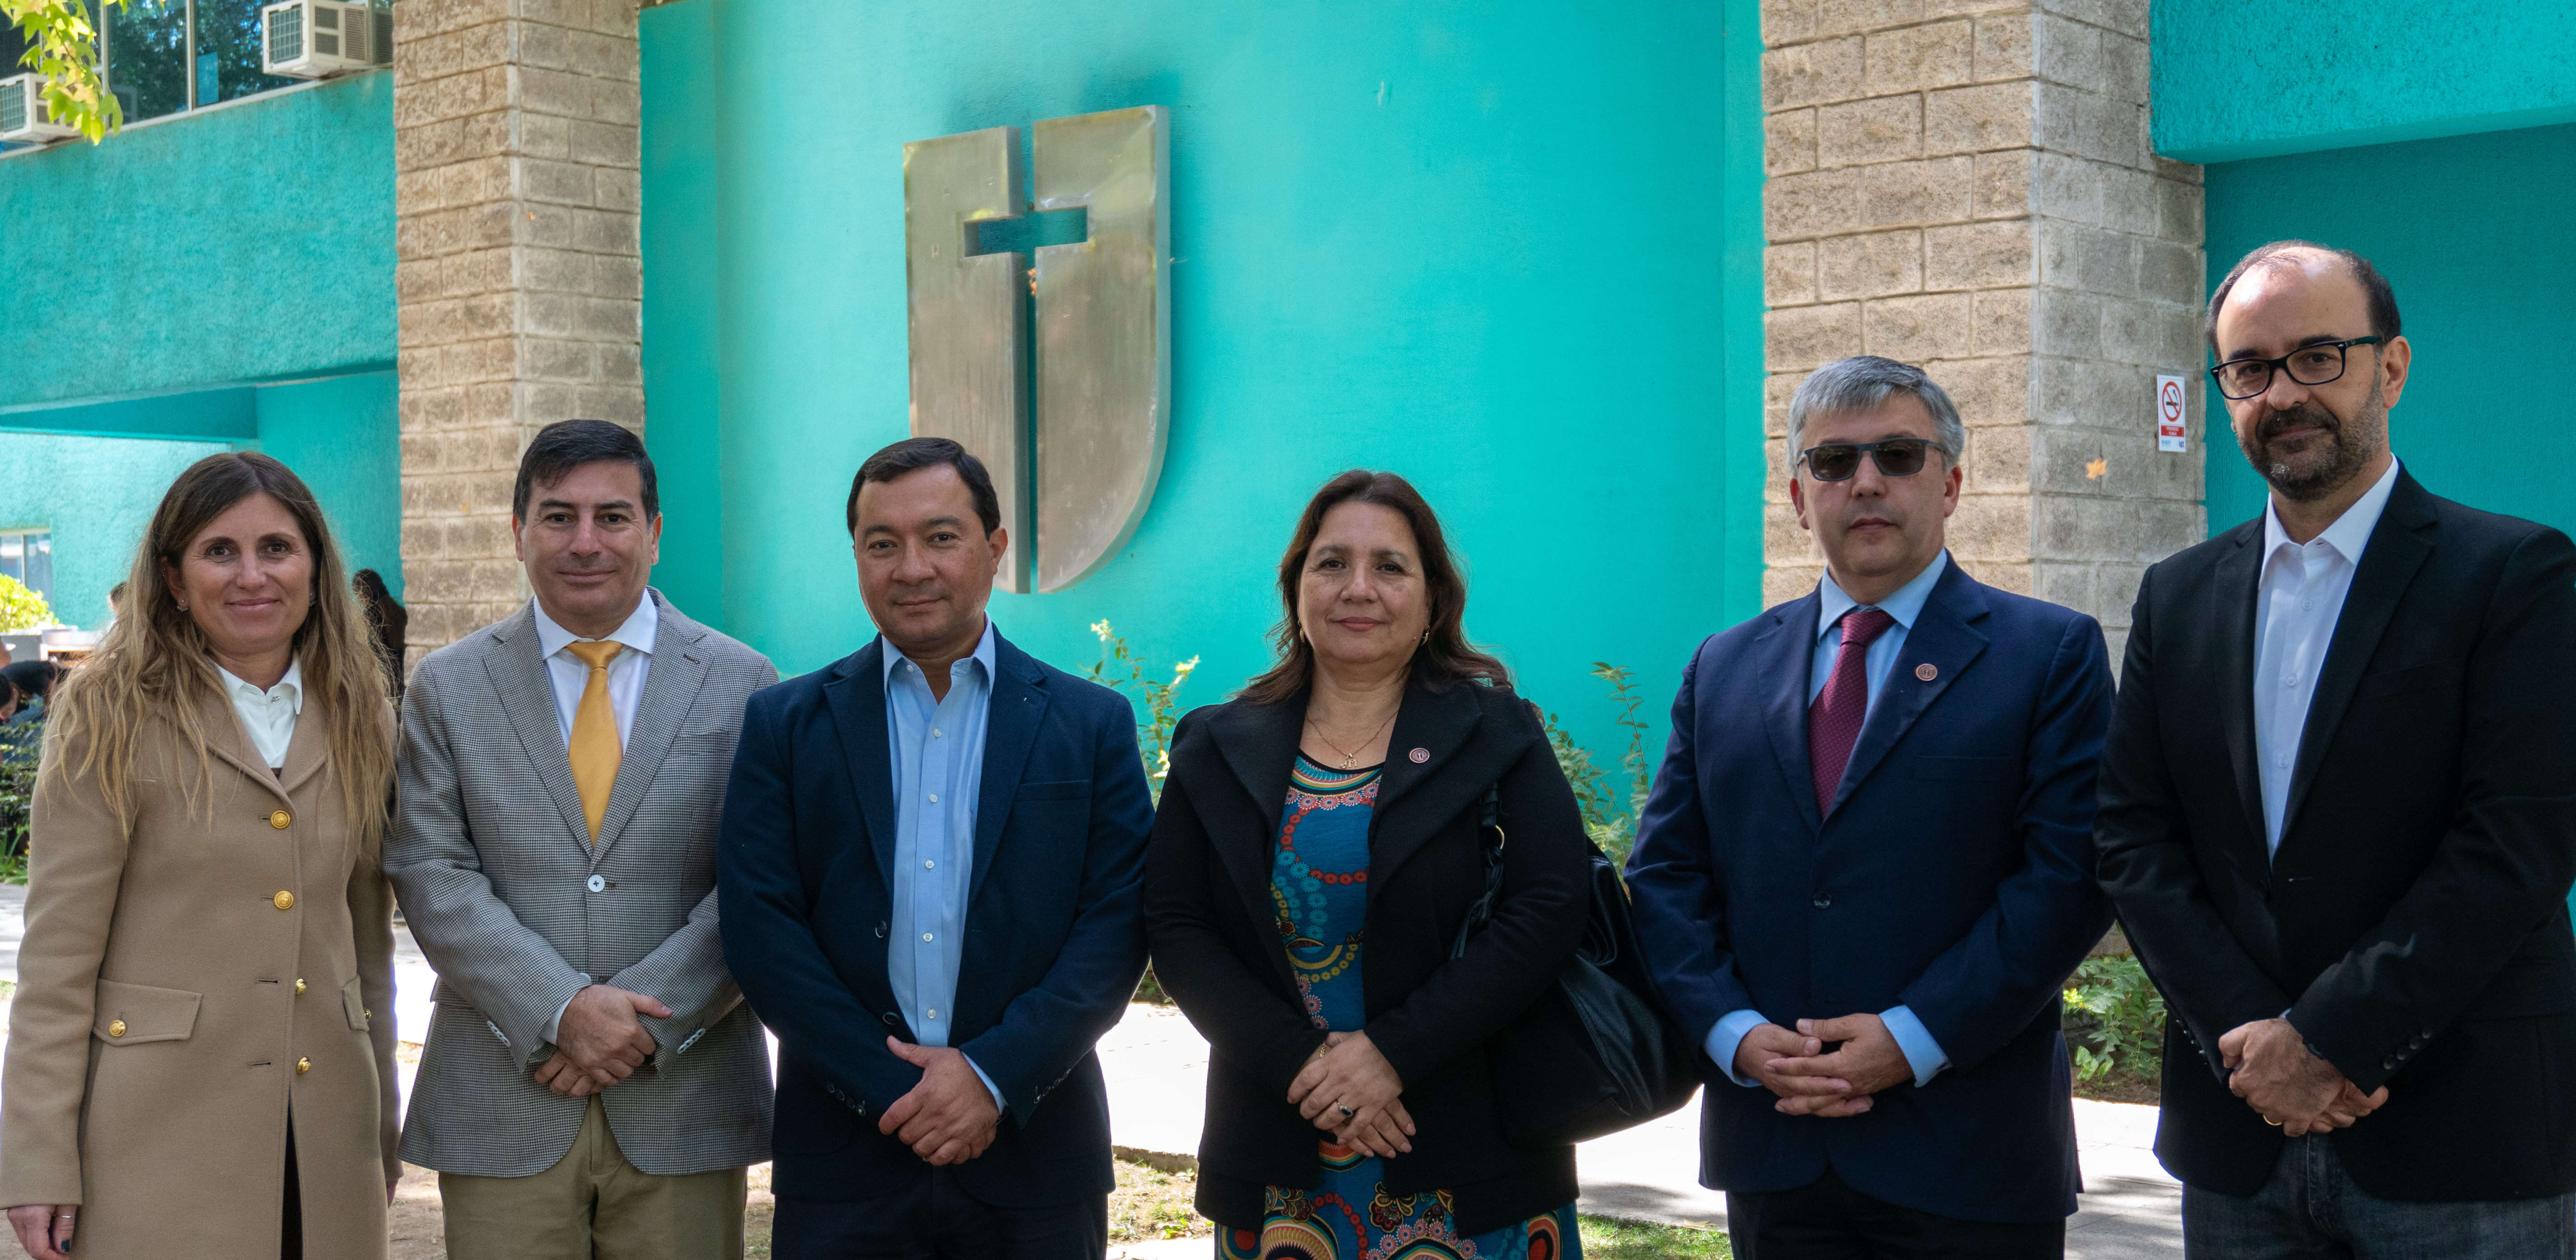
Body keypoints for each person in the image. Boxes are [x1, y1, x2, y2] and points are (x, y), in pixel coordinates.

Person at [2095, 242, 2576, 1256]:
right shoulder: (2175, 596)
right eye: (2251, 368)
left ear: (2390, 367)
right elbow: (2134, 840)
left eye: (2319, 355)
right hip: (2238, 1141)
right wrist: (2253, 1045)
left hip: (2460, 1141)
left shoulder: (2515, 574)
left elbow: (2516, 842)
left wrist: (2326, 1042)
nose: (2283, 393)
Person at [1624, 356, 2116, 1258]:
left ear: (1952, 483)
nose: (1865, 482)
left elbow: (2067, 879)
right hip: (1775, 1146)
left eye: (1896, 455)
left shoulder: (2048, 654)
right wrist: (1732, 1034)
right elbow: (1664, 875)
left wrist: (1913, 1036)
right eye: (1832, 462)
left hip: (1968, 1152)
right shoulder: (1722, 667)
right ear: (1796, 494)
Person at [717, 436, 1156, 1260]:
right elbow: (761, 927)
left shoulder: (1088, 724)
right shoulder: (783, 725)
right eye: (881, 543)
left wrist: (990, 1075)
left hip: (1033, 1152)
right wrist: (896, 1088)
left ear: (994, 550)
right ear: (855, 555)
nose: (910, 566)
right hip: (843, 1156)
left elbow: (1114, 927)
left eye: (940, 536)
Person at [1144, 470, 1591, 1260]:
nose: (1358, 588)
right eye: (1331, 563)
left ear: (1431, 597)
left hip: (1465, 1145)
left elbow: (1546, 906)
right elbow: (1178, 925)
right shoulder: (1214, 745)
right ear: (1295, 587)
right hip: (1281, 1147)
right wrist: (1305, 1068)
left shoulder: (1497, 731)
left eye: (1389, 565)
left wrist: (1391, 1055)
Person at [386, 419, 778, 1260]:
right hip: (502, 1089)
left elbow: (760, 879)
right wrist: (559, 1008)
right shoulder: (448, 685)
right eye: (558, 516)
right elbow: (429, 866)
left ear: (655, 532)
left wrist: (639, 1021)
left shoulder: (745, 681)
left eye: (613, 516)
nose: (585, 541)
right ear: (517, 531)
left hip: (685, 1090)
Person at [0, 452, 401, 1260]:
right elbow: (58, 960)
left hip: (326, 1129)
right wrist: (36, 1157)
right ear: (175, 579)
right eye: (220, 551)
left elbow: (365, 944)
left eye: (277, 549)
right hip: (156, 1133)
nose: (252, 575)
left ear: (316, 569)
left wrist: (379, 1121)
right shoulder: (106, 715)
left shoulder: (364, 710)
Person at [351, 568, 407, 697]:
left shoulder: (368, 620)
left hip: (384, 687)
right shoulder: (402, 614)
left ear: (362, 593)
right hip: (405, 683)